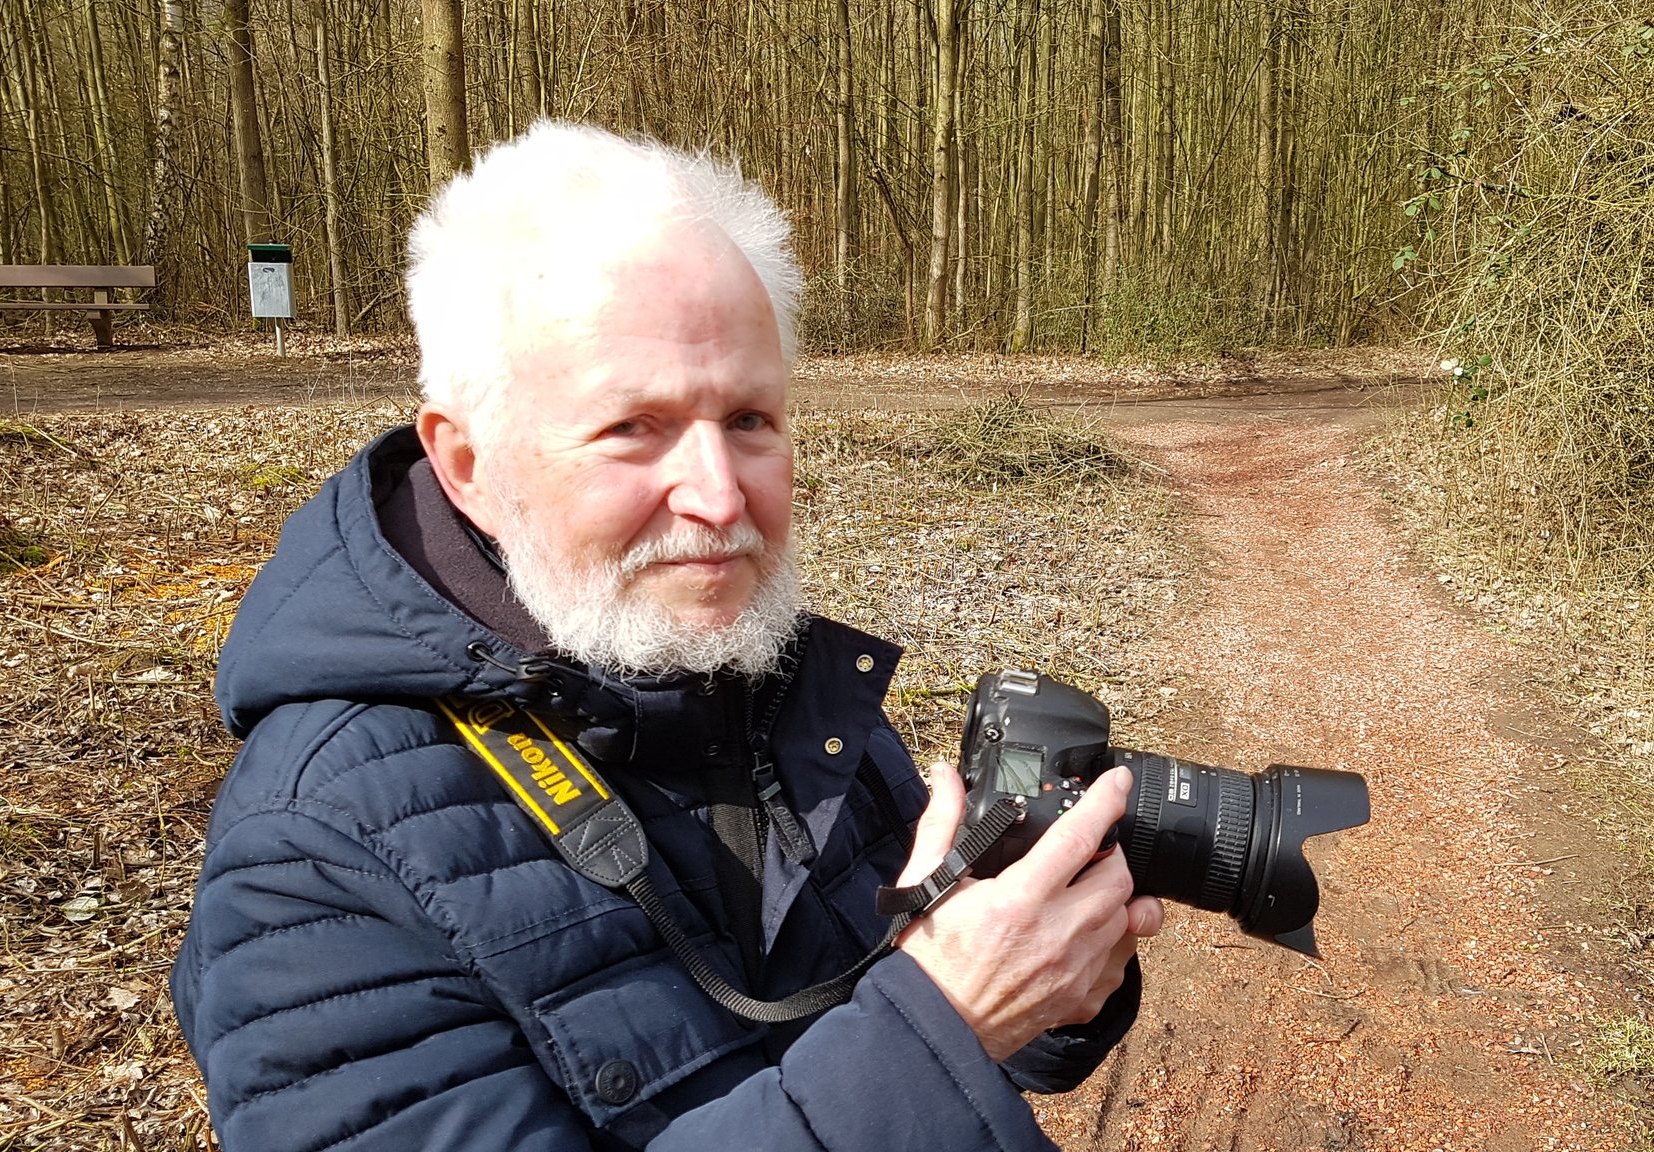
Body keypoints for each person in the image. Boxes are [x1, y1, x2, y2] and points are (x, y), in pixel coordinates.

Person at [170, 121, 1163, 1150]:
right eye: (631, 429)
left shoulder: (760, 667)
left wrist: (1041, 962)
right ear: (468, 464)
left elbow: (969, 1017)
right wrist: (942, 1025)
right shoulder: (315, 851)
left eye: (748, 419)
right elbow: (935, 1021)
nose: (718, 496)